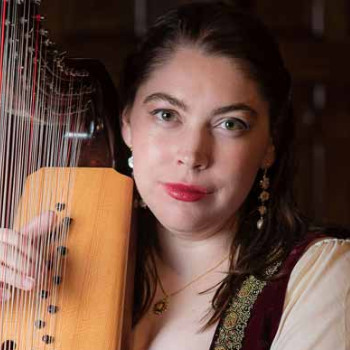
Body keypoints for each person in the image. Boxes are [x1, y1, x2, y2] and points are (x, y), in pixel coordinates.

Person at [0, 2, 349, 350]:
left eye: (230, 124)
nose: (193, 154)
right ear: (127, 125)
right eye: (166, 115)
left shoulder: (323, 276)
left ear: (269, 145)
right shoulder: (60, 255)